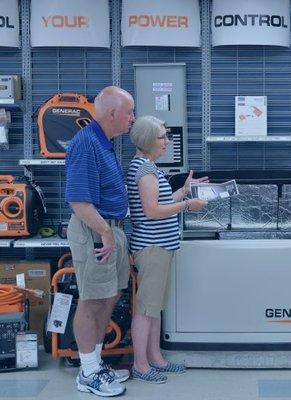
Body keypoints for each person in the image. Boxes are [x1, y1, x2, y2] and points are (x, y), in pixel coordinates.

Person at [126, 116, 208, 383]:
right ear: (148, 140)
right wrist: (187, 206)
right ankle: (141, 365)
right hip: (153, 247)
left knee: (155, 307)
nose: (167, 142)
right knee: (147, 309)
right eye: (162, 137)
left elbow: (159, 202)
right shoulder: (145, 171)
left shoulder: (148, 167)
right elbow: (152, 212)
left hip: (160, 247)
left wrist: (183, 193)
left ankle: (156, 359)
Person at [65, 86, 135, 396]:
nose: (133, 118)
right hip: (94, 229)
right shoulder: (85, 144)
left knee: (109, 296)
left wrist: (113, 232)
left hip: (111, 228)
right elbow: (79, 202)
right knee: (92, 299)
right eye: (129, 112)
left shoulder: (103, 142)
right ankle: (88, 371)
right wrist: (105, 234)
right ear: (112, 114)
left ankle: (94, 363)